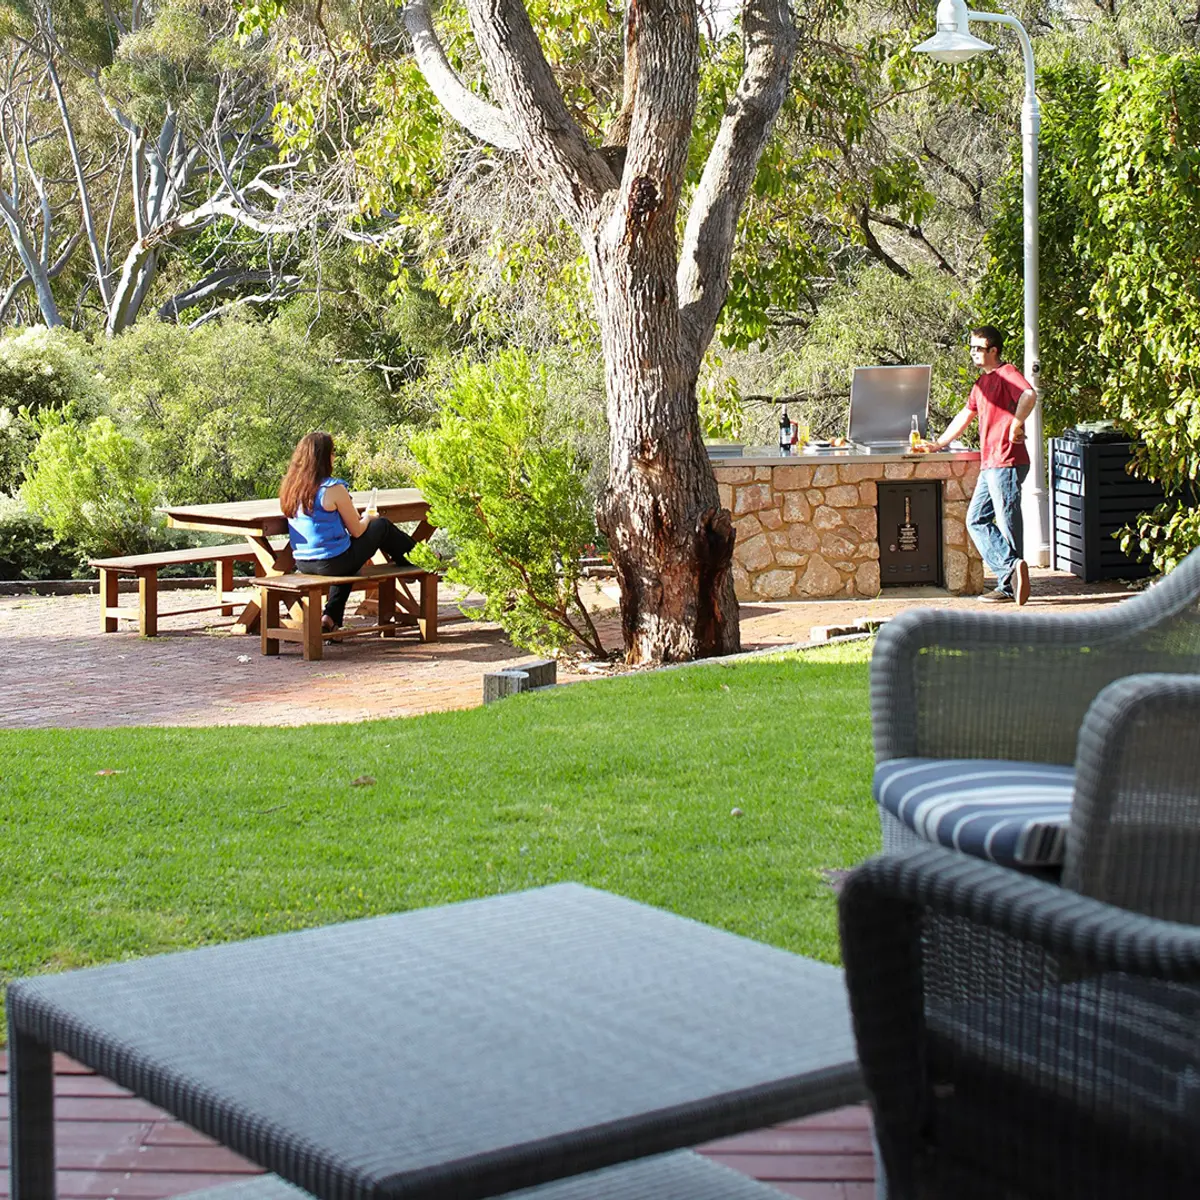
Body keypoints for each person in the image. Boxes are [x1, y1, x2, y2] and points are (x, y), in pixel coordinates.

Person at [916, 324, 1036, 605]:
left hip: (1006, 461)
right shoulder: (981, 384)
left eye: (978, 348)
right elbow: (965, 414)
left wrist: (1016, 423)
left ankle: (1009, 584)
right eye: (971, 348)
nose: (973, 353)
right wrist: (939, 443)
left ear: (994, 350)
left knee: (1007, 522)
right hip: (991, 463)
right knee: (976, 519)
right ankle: (1011, 571)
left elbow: (1029, 395)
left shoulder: (1007, 374)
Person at [279, 431, 416, 631]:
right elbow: (358, 531)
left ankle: (330, 618)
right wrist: (369, 517)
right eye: (332, 452)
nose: (334, 457)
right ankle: (420, 559)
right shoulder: (332, 488)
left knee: (347, 561)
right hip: (333, 562)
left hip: (303, 562)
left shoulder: (291, 488)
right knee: (381, 526)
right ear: (323, 457)